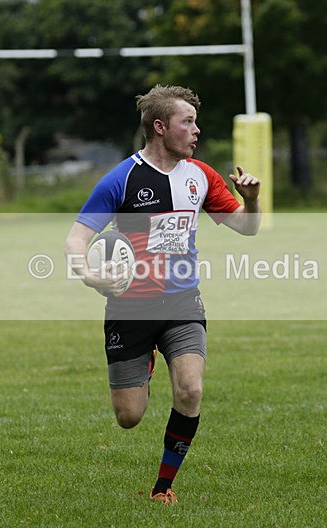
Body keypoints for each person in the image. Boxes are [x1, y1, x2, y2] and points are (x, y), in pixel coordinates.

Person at [64, 85, 261, 503]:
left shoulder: (201, 176)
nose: (196, 130)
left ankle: (163, 486)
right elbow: (75, 240)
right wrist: (91, 276)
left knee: (190, 390)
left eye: (195, 121)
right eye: (187, 122)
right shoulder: (121, 179)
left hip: (182, 301)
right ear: (160, 127)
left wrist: (253, 200)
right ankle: (146, 362)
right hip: (130, 307)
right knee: (129, 416)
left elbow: (247, 227)